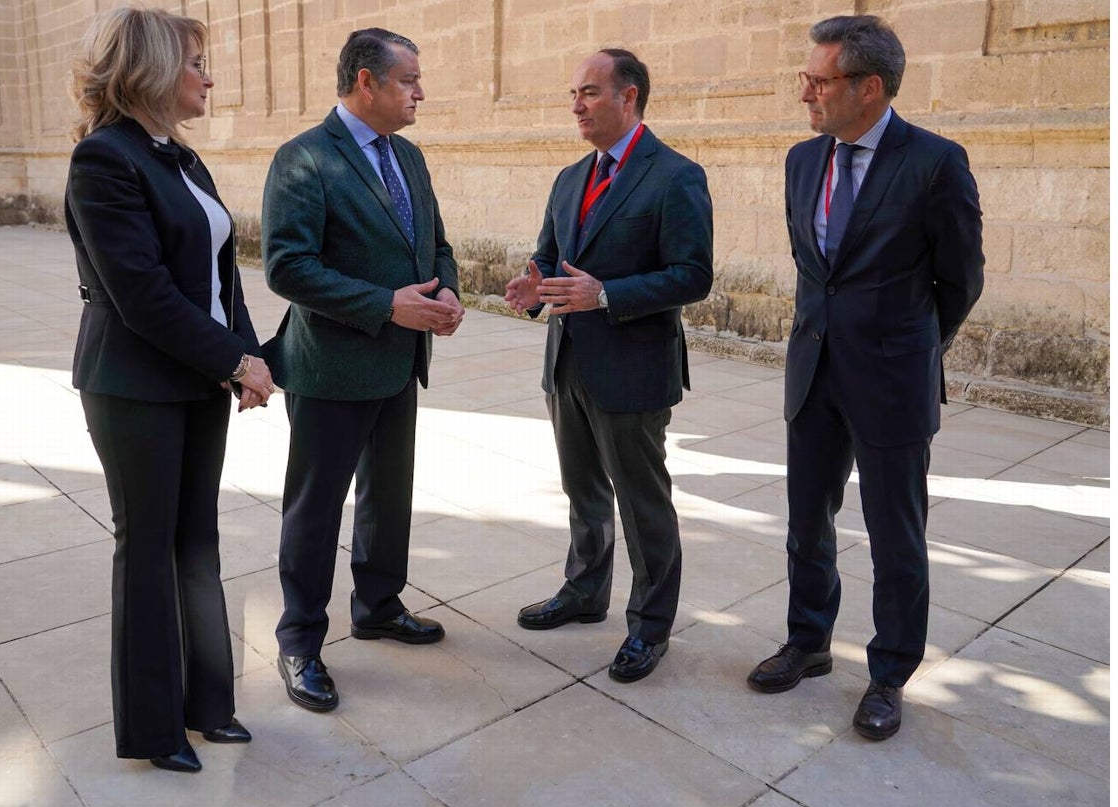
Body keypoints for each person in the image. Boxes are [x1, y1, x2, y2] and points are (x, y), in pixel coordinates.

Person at [746, 15, 984, 740]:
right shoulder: (801, 159)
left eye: (819, 82)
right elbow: (814, 269)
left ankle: (888, 674)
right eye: (805, 80)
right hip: (813, 372)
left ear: (869, 87)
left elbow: (961, 279)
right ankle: (809, 642)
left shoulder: (936, 163)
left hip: (891, 382)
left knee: (895, 536)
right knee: (805, 526)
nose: (806, 95)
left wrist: (909, 349)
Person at [66, 7, 274, 772]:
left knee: (198, 540)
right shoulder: (104, 160)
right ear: (152, 70)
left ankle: (209, 705)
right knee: (148, 546)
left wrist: (246, 356)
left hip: (197, 376)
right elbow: (143, 294)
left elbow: (219, 279)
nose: (209, 78)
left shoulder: (182, 159)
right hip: (133, 386)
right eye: (196, 64)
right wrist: (232, 362)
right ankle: (154, 733)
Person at [261, 28, 462, 713]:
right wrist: (386, 305)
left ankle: (378, 604)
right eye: (409, 80)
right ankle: (299, 641)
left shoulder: (408, 156)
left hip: (400, 361)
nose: (421, 93)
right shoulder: (305, 158)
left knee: (389, 496)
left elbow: (435, 241)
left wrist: (448, 289)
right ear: (366, 83)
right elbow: (288, 266)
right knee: (316, 511)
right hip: (329, 369)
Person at [504, 49, 713, 683]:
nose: (576, 105)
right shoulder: (570, 178)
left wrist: (609, 295)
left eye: (589, 92)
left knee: (643, 502)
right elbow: (548, 257)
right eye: (574, 93)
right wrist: (532, 286)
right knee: (584, 492)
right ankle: (585, 592)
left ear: (629, 97)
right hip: (567, 363)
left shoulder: (676, 176)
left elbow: (693, 276)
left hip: (633, 369)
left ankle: (650, 627)